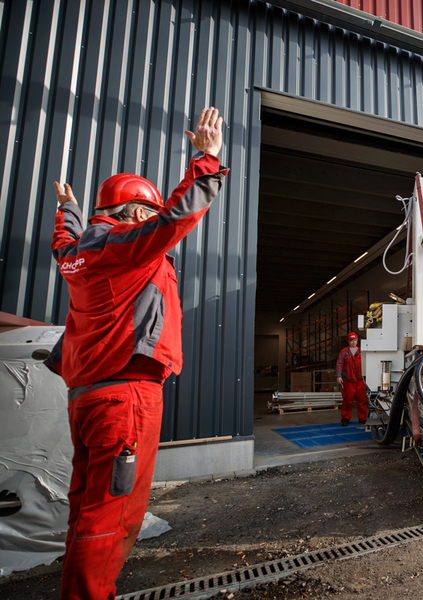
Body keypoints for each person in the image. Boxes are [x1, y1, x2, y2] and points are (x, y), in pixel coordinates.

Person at [45, 107, 227, 600]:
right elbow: (176, 219)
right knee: (113, 519)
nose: (151, 219)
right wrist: (206, 160)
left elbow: (63, 240)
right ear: (134, 214)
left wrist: (68, 210)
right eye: (147, 211)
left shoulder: (77, 254)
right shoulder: (126, 246)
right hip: (124, 401)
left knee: (88, 512)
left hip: (87, 399)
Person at [336, 332, 368, 426]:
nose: (353, 342)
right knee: (347, 401)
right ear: (348, 341)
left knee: (362, 401)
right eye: (351, 341)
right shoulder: (344, 352)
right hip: (348, 381)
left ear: (357, 340)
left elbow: (368, 363)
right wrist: (338, 376)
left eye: (355, 340)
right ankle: (345, 418)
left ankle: (363, 418)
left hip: (360, 381)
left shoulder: (362, 351)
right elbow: (339, 364)